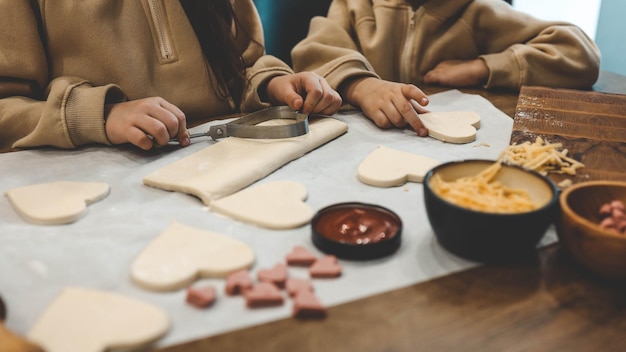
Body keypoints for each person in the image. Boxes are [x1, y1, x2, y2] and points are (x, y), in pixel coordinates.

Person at [0, 0, 342, 151]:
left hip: (225, 165)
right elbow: (6, 108)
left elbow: (242, 66)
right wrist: (100, 116)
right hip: (101, 194)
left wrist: (271, 84)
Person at [291, 0, 601, 137]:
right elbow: (311, 54)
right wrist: (359, 86)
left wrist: (483, 67)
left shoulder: (479, 10)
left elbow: (579, 52)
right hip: (356, 146)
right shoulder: (353, 4)